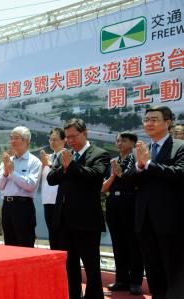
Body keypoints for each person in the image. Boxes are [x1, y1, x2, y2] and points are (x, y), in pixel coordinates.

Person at [124, 106, 184, 298]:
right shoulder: (141, 149)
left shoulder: (179, 147)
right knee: (153, 270)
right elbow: (128, 181)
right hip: (144, 220)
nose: (149, 123)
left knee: (174, 271)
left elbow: (180, 174)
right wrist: (140, 167)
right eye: (146, 119)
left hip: (171, 221)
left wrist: (149, 165)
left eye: (154, 119)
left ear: (168, 123)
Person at [47, 118, 110, 299]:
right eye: (67, 137)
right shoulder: (65, 154)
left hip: (87, 221)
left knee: (91, 265)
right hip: (64, 220)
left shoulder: (99, 153)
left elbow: (95, 176)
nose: (71, 140)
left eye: (74, 136)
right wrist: (65, 168)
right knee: (69, 265)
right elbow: (51, 178)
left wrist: (71, 167)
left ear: (85, 133)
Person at [101, 132, 143, 295]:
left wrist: (120, 174)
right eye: (118, 140)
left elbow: (137, 182)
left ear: (133, 143)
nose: (119, 143)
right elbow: (104, 186)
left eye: (124, 140)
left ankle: (136, 281)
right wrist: (114, 174)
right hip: (113, 203)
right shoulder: (114, 161)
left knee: (133, 244)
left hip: (130, 203)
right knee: (118, 243)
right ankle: (121, 280)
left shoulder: (137, 160)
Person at [0, 126, 41, 248]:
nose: (12, 141)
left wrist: (12, 172)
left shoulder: (34, 161)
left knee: (25, 245)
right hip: (7, 207)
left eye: (16, 138)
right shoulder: (8, 160)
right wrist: (5, 172)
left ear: (26, 141)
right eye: (11, 138)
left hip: (23, 207)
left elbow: (30, 185)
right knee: (9, 246)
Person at [39, 127, 66, 250]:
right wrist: (44, 164)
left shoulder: (66, 156)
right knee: (53, 237)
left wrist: (49, 164)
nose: (52, 142)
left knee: (62, 237)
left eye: (55, 139)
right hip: (47, 201)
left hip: (61, 203)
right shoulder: (48, 157)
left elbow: (60, 175)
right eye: (50, 139)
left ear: (64, 141)